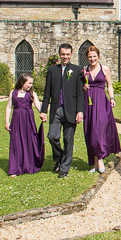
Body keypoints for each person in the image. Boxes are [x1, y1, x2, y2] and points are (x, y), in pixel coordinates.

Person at [39, 43, 85, 178]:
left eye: (67, 54)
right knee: (52, 136)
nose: (65, 57)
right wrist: (43, 110)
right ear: (59, 54)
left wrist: (80, 111)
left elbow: (80, 93)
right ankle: (58, 159)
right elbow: (47, 92)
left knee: (68, 139)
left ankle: (64, 169)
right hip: (56, 109)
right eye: (63, 54)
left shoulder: (77, 70)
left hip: (71, 110)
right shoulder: (52, 70)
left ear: (71, 55)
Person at [82, 46, 121, 173]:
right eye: (90, 57)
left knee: (98, 130)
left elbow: (109, 85)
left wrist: (112, 98)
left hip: (101, 102)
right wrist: (84, 87)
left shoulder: (104, 69)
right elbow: (81, 88)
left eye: (94, 56)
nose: (92, 59)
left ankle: (99, 159)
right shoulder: (84, 70)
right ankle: (94, 163)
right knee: (90, 131)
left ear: (98, 56)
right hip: (89, 103)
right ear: (87, 58)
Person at [4, 73, 45, 176]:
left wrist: (42, 113)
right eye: (29, 83)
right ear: (22, 82)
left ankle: (29, 166)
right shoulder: (13, 93)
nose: (31, 85)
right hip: (16, 121)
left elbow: (37, 104)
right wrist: (6, 121)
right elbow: (9, 107)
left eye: (32, 83)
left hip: (28, 120)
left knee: (30, 141)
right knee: (16, 143)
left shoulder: (32, 94)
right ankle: (15, 169)